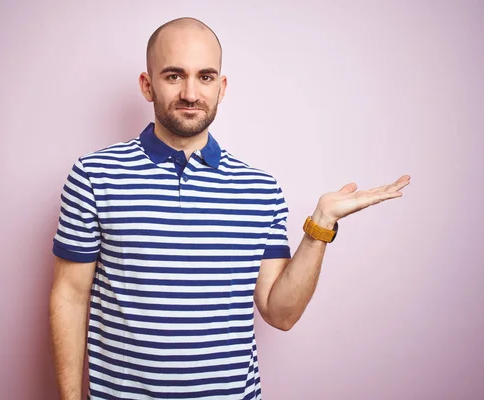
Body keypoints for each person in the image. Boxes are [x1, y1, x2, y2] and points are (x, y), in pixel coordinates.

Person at [48, 16, 410, 400]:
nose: (191, 93)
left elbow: (279, 312)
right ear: (147, 85)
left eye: (205, 77)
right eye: (174, 76)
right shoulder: (94, 175)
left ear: (221, 88)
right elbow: (69, 297)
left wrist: (320, 226)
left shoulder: (261, 189)